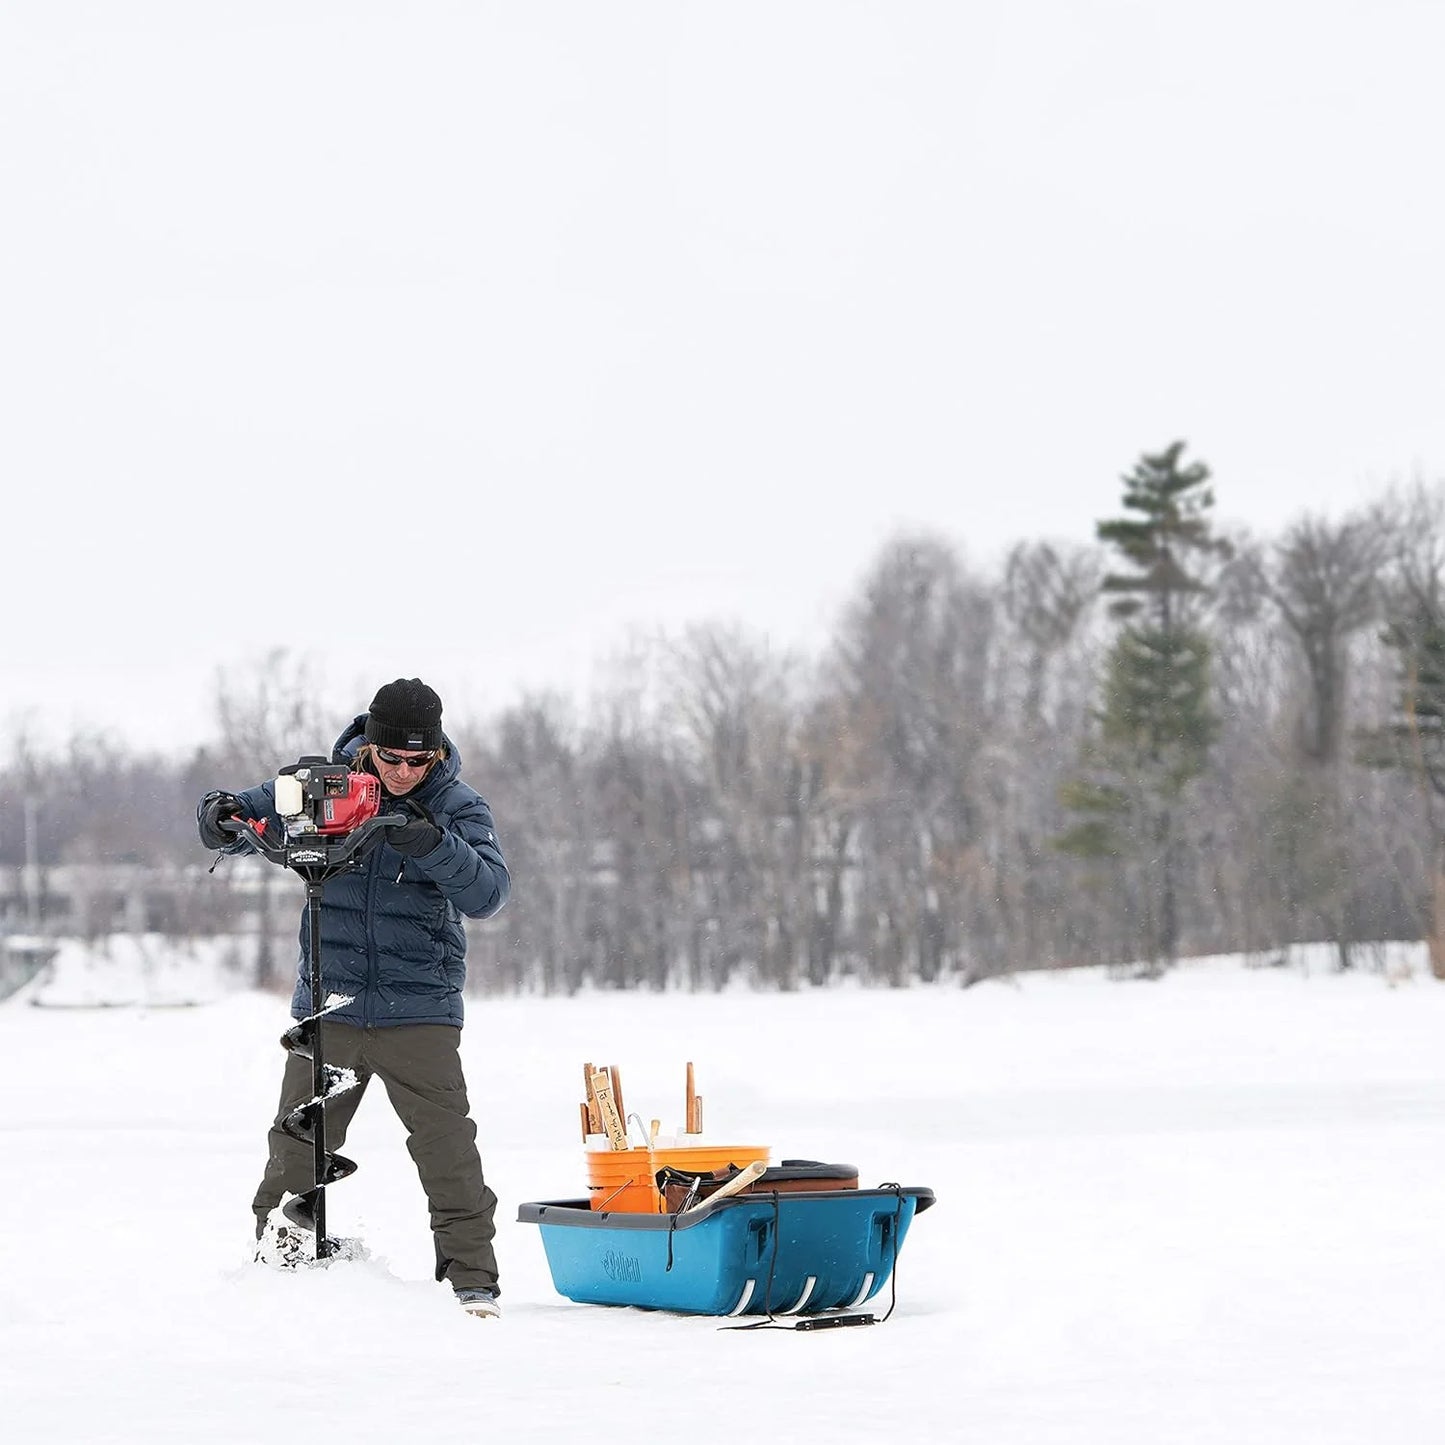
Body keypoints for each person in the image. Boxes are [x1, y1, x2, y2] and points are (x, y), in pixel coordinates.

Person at [197, 678, 510, 1319]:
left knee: (448, 1152)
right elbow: (241, 817)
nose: (401, 773)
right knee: (295, 1149)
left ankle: (472, 1286)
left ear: (437, 755)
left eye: (416, 762)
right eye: (389, 758)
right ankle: (278, 1276)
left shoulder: (457, 806)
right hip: (328, 1006)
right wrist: (217, 815)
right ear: (369, 744)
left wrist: (433, 844)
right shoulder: (324, 787)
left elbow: (488, 894)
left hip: (419, 1011)